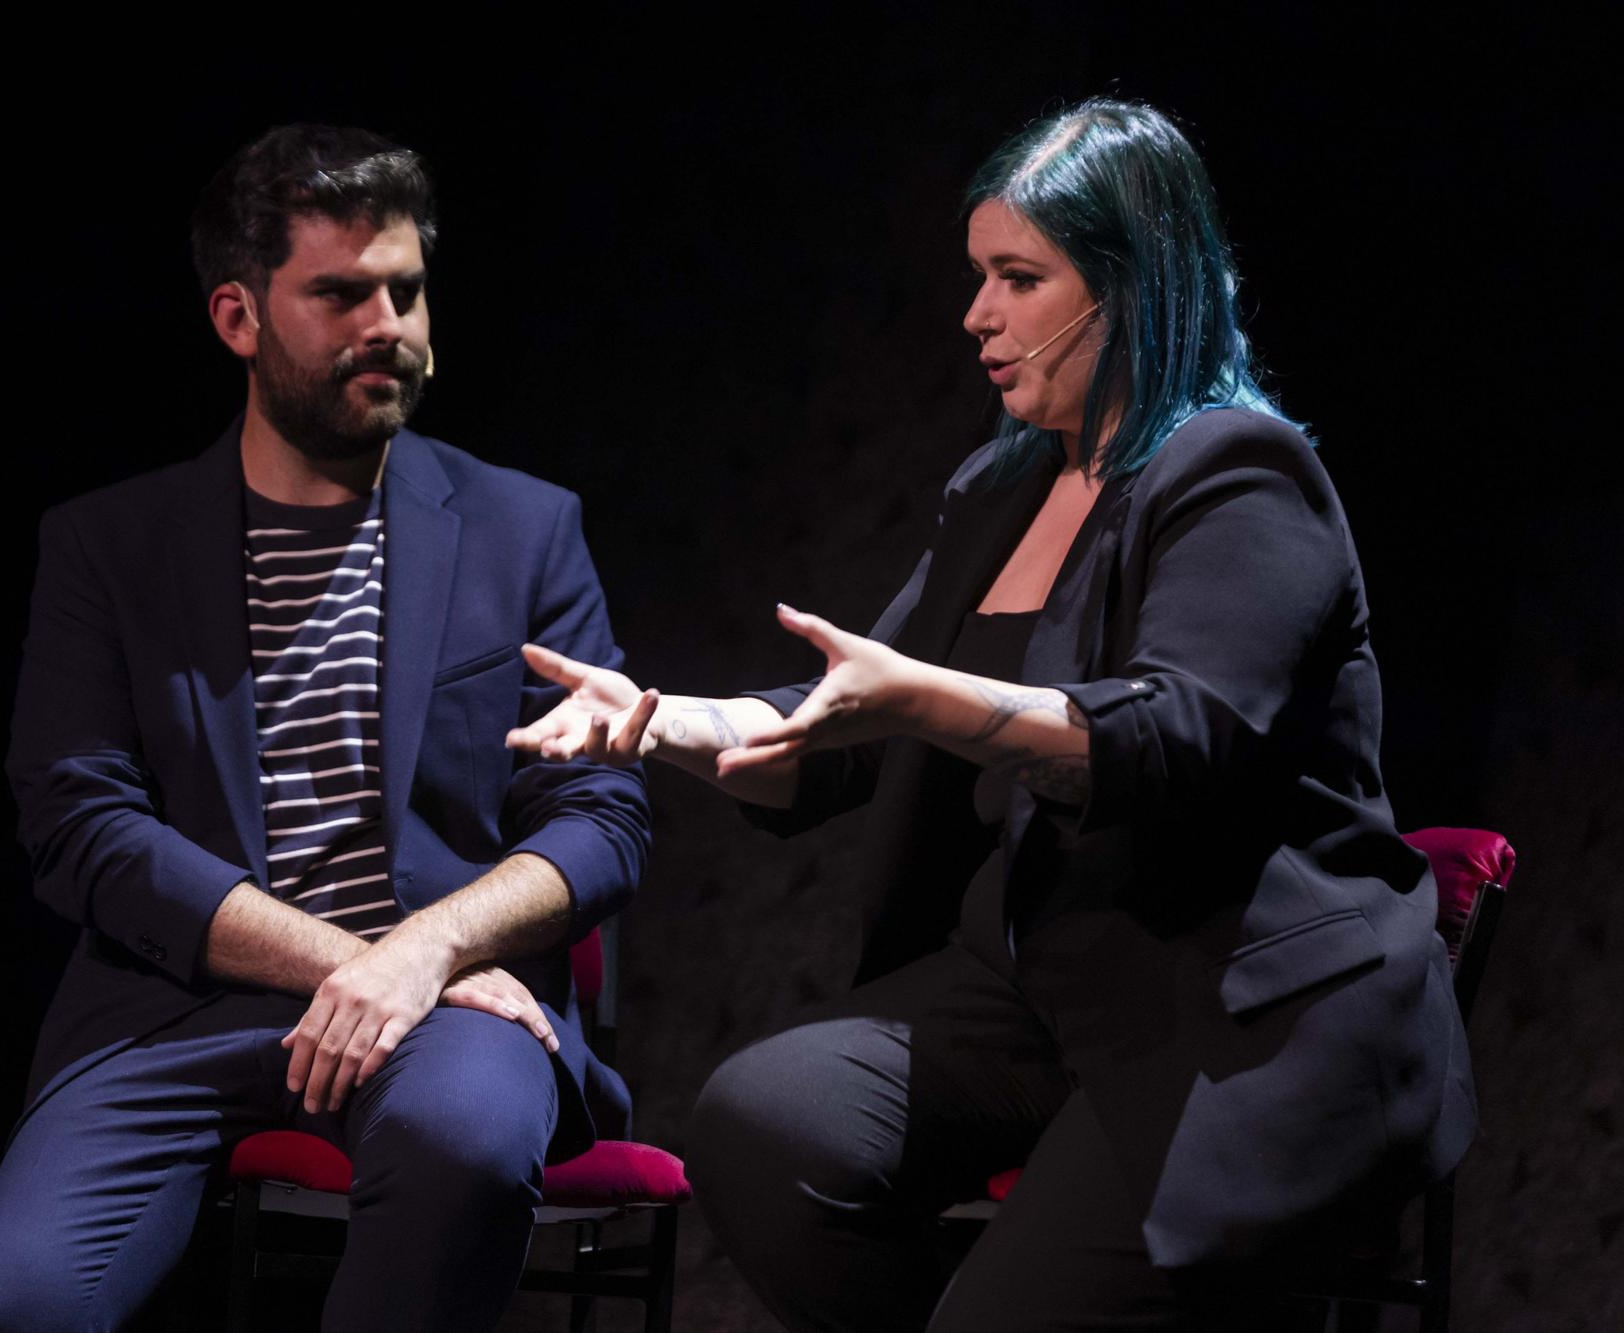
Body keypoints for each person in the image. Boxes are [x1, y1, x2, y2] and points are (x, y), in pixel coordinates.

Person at [508, 99, 1476, 1330]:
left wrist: (918, 698)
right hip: (1040, 987)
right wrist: (657, 718)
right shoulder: (1005, 484)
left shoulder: (1239, 472)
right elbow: (839, 731)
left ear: (1128, 285)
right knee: (766, 1122)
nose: (976, 315)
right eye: (978, 277)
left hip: (1236, 1010)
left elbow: (1169, 736)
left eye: (1017, 278)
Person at [0, 124, 650, 1333]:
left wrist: (423, 954)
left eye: (406, 291)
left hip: (452, 1008)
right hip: (181, 1004)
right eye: (339, 294)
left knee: (463, 1145)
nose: (390, 325)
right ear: (236, 318)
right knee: (6, 1305)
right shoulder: (111, 547)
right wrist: (352, 964)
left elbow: (602, 818)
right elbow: (81, 827)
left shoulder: (521, 528)